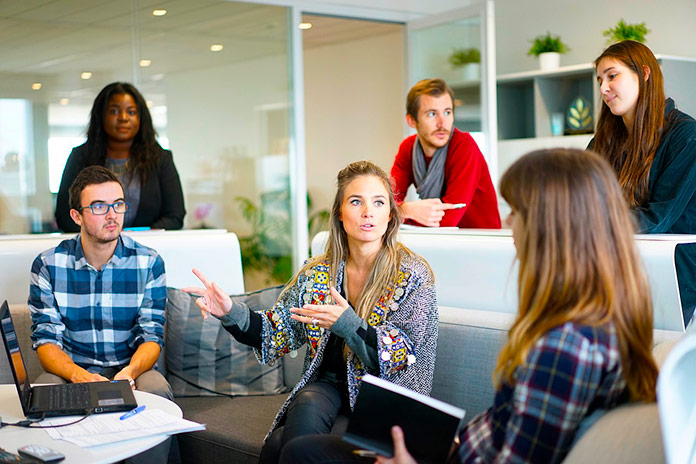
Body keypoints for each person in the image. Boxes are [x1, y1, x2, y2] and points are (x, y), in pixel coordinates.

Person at [287, 149, 659, 464]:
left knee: (300, 453)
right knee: (295, 446)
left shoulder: (565, 347)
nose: (509, 223)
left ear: (553, 227)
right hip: (456, 448)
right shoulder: (597, 320)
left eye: (517, 211)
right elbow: (506, 430)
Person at [183, 160, 438, 463]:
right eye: (356, 201)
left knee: (281, 445)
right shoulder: (318, 272)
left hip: (383, 402)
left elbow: (401, 355)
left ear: (390, 215)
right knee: (306, 402)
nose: (368, 211)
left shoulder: (413, 274)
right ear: (340, 214)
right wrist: (228, 311)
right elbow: (273, 331)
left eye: (378, 202)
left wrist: (348, 324)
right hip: (327, 389)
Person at [30, 166, 172, 400]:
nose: (112, 215)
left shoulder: (149, 262)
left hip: (131, 369)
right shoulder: (48, 265)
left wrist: (129, 372)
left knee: (156, 390)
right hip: (71, 370)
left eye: (118, 204)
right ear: (77, 216)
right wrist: (79, 376)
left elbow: (151, 336)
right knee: (42, 392)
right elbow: (46, 340)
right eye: (99, 206)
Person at [590, 40, 696, 326]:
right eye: (600, 80)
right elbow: (581, 200)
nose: (603, 88)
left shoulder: (685, 135)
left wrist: (587, 222)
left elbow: (658, 217)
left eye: (612, 76)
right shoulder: (602, 143)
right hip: (616, 273)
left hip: (673, 281)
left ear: (644, 74)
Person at [55, 82, 185, 232]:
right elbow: (65, 217)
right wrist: (104, 237)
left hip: (148, 249)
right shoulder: (81, 157)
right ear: (101, 116)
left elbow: (175, 216)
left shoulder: (160, 158)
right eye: (114, 111)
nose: (123, 118)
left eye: (131, 112)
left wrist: (137, 238)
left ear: (141, 118)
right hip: (94, 251)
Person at [390, 78, 500, 228]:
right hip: (440, 241)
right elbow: (385, 203)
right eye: (432, 114)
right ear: (411, 121)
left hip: (479, 242)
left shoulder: (464, 146)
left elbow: (448, 219)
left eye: (447, 112)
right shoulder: (408, 148)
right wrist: (407, 209)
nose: (442, 123)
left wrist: (400, 212)